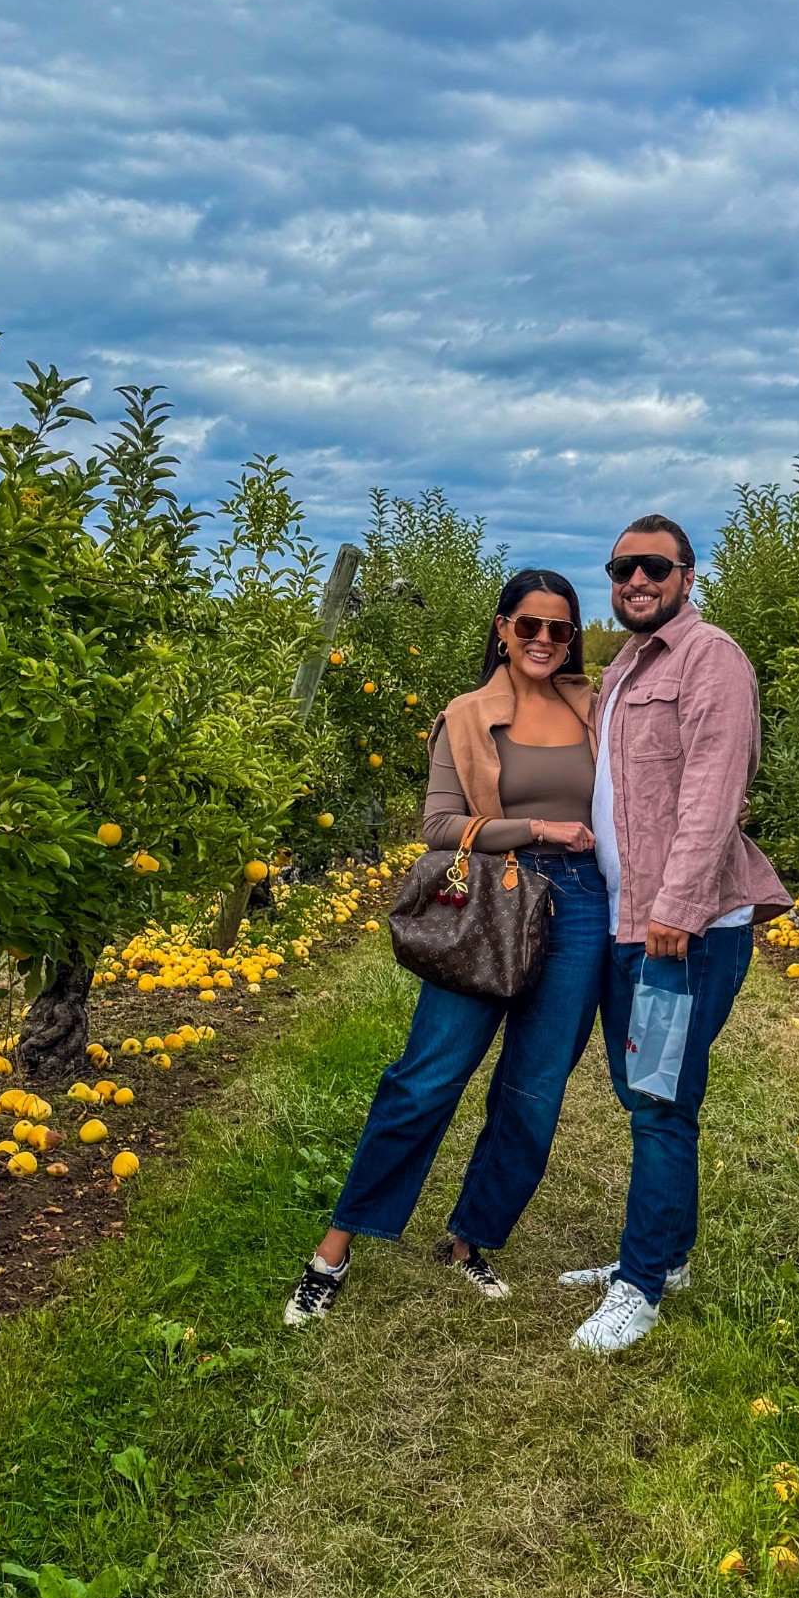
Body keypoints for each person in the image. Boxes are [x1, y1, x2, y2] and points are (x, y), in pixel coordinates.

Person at [283, 568, 607, 1325]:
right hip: (494, 902)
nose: (543, 641)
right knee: (426, 1077)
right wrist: (534, 829)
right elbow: (435, 827)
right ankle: (335, 1247)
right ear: (501, 628)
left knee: (534, 1089)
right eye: (528, 625)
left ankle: (470, 1240)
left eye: (560, 629)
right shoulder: (464, 716)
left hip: (584, 909)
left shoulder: (597, 709)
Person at [562, 514, 790, 1354]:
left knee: (658, 1101)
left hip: (680, 929)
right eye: (622, 567)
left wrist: (677, 909)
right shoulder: (625, 665)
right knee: (647, 1092)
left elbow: (713, 790)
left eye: (653, 566)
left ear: (688, 576)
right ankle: (667, 1254)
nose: (635, 580)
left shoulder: (709, 657)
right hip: (633, 921)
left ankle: (641, 1284)